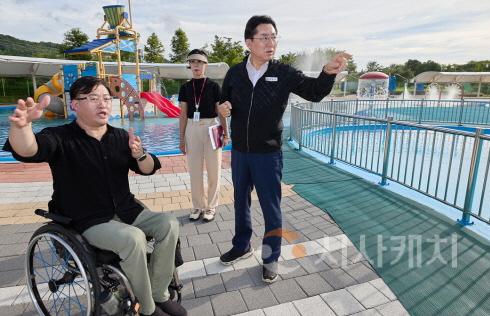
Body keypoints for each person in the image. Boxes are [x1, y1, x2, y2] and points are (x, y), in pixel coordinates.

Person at [3, 76, 186, 316]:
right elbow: (29, 149)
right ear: (75, 105)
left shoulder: (120, 136)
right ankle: (148, 308)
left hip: (126, 210)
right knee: (133, 239)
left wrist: (140, 153)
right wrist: (22, 126)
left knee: (169, 224)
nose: (102, 104)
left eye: (106, 98)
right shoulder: (61, 137)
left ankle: (158, 292)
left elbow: (149, 168)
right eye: (92, 98)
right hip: (88, 218)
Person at [217, 15, 351, 283]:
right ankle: (242, 244)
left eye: (274, 37)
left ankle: (270, 258)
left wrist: (327, 72)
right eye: (264, 37)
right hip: (241, 151)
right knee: (240, 200)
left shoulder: (285, 72)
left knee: (271, 206)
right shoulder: (234, 73)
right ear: (249, 42)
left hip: (268, 153)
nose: (271, 43)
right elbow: (223, 100)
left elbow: (314, 92)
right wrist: (221, 109)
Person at [178, 49, 229, 222]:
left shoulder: (214, 86)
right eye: (192, 62)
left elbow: (220, 112)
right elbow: (183, 115)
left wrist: (226, 133)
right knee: (195, 171)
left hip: (212, 127)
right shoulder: (185, 87)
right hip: (192, 128)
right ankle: (198, 205)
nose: (196, 65)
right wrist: (181, 139)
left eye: (199, 62)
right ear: (189, 65)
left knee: (214, 170)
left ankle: (211, 207)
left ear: (205, 64)